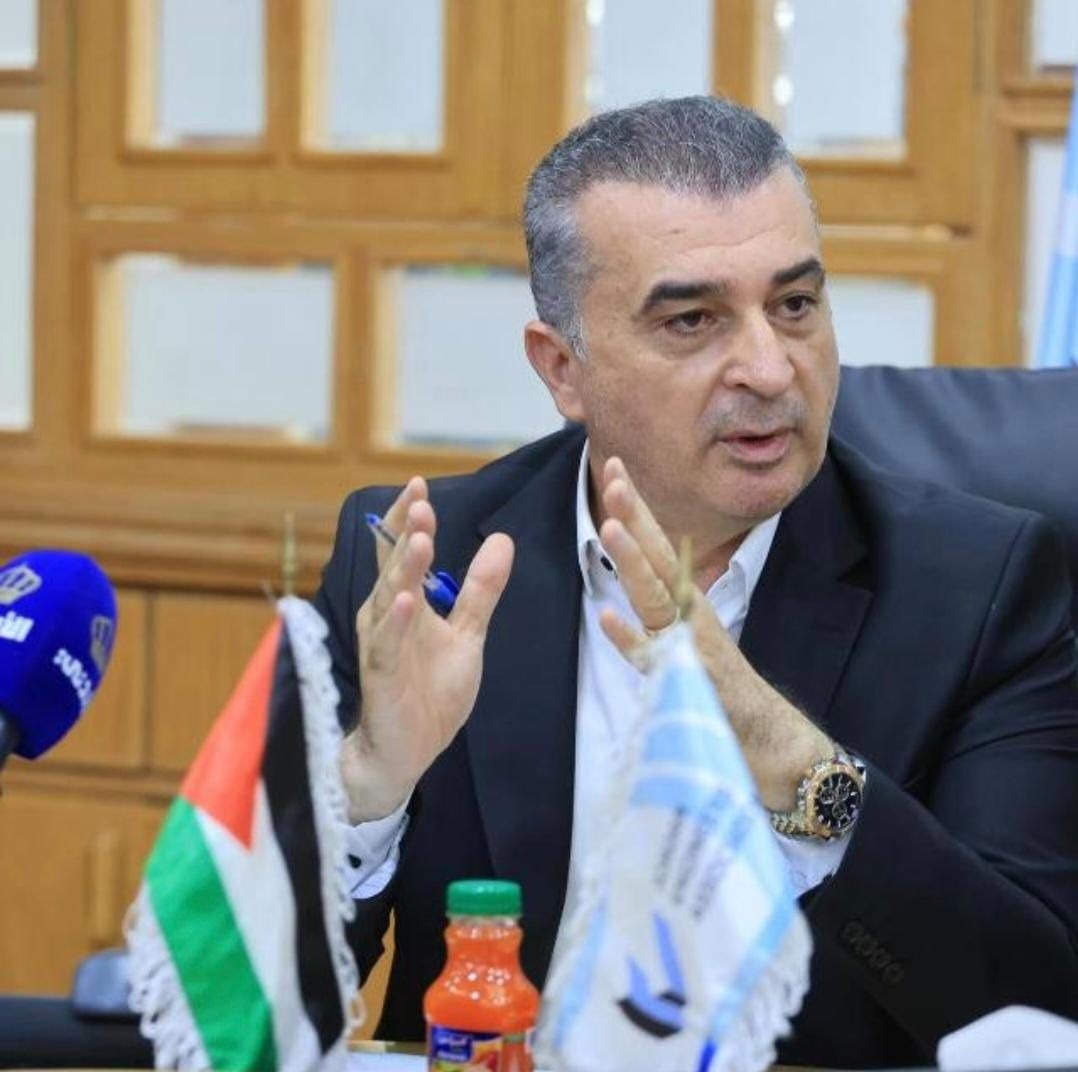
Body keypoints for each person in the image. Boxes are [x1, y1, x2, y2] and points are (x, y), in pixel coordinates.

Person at [314, 96, 1078, 1066]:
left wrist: (787, 757)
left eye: (794, 306)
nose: (769, 368)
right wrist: (367, 789)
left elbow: (1034, 1007)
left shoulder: (979, 589)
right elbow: (227, 1006)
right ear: (562, 369)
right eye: (692, 320)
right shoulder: (426, 567)